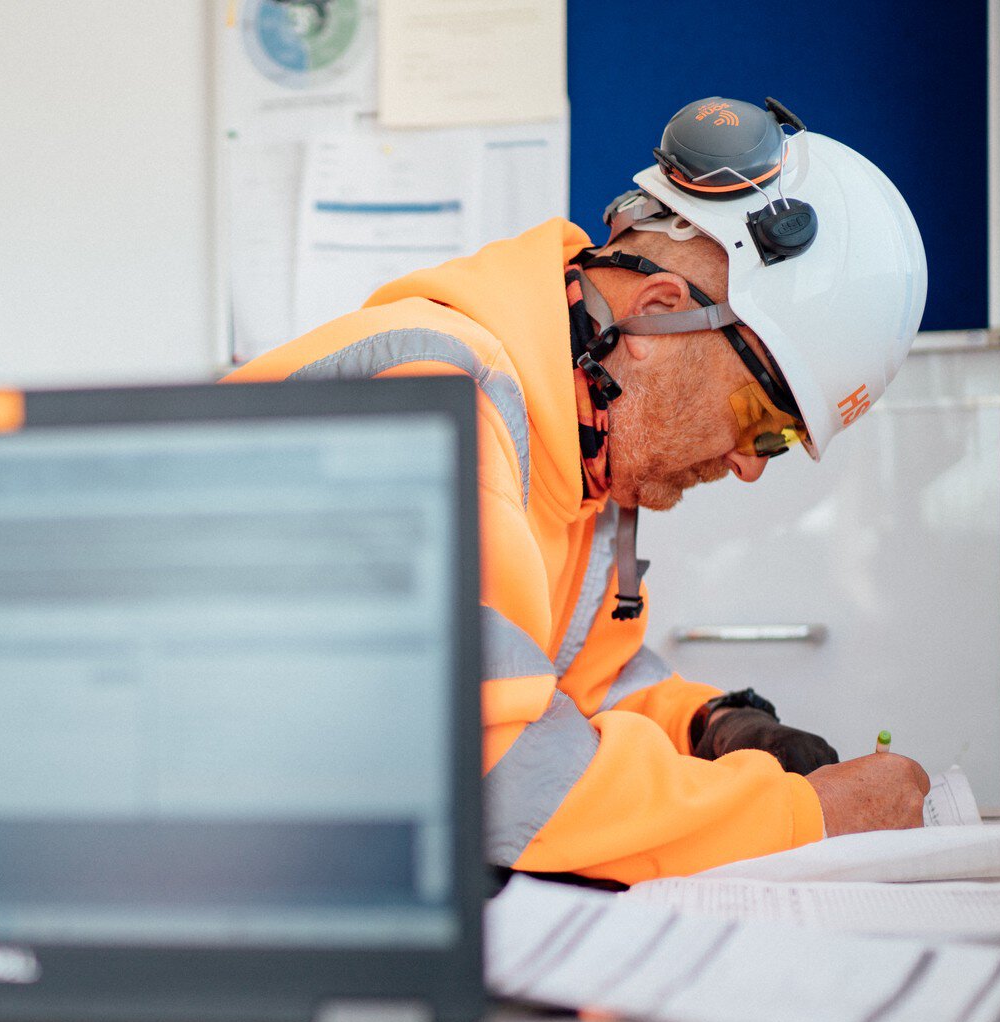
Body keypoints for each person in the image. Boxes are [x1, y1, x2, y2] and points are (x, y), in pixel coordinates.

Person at [226, 97, 932, 882]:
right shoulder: (436, 398)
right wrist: (812, 818)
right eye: (761, 416)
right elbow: (504, 779)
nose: (750, 464)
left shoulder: (585, 466)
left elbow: (579, 689)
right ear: (662, 317)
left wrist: (712, 723)